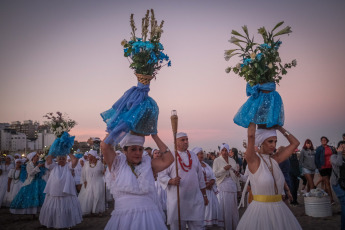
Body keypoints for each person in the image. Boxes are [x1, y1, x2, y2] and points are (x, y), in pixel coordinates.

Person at [102, 133, 174, 230]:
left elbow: (169, 159)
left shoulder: (148, 163)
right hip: (124, 218)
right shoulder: (117, 163)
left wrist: (154, 135)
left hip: (150, 217)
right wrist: (121, 127)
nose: (138, 153)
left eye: (140, 149)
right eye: (133, 149)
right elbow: (105, 146)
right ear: (125, 151)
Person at [236, 124, 302, 230]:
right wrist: (253, 117)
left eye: (275, 141)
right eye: (270, 141)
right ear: (261, 142)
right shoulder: (254, 160)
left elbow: (295, 143)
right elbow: (251, 136)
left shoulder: (275, 159)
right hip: (261, 211)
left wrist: (280, 128)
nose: (274, 145)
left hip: (280, 209)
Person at [158, 132, 208, 230]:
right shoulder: (170, 156)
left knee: (198, 226)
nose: (186, 142)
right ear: (175, 142)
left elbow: (200, 178)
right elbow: (161, 175)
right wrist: (171, 180)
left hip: (195, 200)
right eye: (183, 140)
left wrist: (204, 195)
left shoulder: (193, 155)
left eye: (187, 139)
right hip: (177, 201)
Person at [39, 153, 83, 229]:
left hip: (66, 193)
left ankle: (67, 224)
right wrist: (56, 151)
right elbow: (49, 160)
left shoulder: (68, 166)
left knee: (66, 207)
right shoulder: (54, 166)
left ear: (66, 160)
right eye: (60, 159)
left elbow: (75, 160)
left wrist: (67, 151)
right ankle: (54, 223)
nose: (62, 160)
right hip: (54, 192)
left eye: (63, 159)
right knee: (54, 208)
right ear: (57, 159)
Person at [193, 146, 223, 228]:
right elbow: (194, 179)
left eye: (202, 153)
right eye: (200, 154)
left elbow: (212, 175)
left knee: (211, 209)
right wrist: (205, 185)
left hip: (210, 191)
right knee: (203, 210)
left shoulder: (206, 164)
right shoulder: (194, 166)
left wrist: (211, 182)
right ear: (195, 155)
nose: (202, 155)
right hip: (201, 192)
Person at [213, 143, 240, 230]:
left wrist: (239, 188)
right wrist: (224, 169)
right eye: (223, 150)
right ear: (220, 151)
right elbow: (215, 174)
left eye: (226, 150)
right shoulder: (217, 160)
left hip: (232, 186)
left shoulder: (232, 161)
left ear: (228, 151)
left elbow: (236, 176)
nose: (224, 152)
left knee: (233, 210)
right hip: (222, 186)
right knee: (224, 210)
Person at [78, 149, 105, 216]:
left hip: (98, 182)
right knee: (88, 196)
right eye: (88, 155)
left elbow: (103, 173)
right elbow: (83, 173)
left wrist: (104, 172)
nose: (88, 156)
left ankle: (98, 211)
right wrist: (84, 181)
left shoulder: (99, 163)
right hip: (88, 182)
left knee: (97, 196)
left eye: (90, 155)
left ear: (93, 156)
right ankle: (88, 210)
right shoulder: (86, 164)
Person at [315, 136, 337, 204]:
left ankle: (325, 197)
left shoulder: (331, 148)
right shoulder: (319, 148)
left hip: (331, 167)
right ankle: (331, 199)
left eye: (325, 140)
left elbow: (335, 155)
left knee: (328, 183)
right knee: (327, 183)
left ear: (327, 141)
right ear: (321, 141)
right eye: (322, 140)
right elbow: (316, 159)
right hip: (323, 167)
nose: (323, 141)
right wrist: (319, 167)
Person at [330, 141, 345, 230]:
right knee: (344, 202)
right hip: (337, 184)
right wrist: (339, 153)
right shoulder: (334, 157)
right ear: (337, 148)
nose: (344, 148)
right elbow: (339, 163)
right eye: (342, 147)